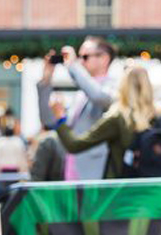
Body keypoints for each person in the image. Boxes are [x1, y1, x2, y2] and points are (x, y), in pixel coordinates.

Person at [41, 64, 161, 179]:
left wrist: (60, 119)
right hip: (155, 185)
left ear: (123, 87)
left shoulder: (118, 118)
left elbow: (74, 145)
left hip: (121, 187)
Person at [37, 36, 118, 179]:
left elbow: (99, 96)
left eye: (85, 57)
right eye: (78, 58)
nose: (80, 62)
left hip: (95, 173)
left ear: (104, 58)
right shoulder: (81, 94)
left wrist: (73, 67)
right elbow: (49, 121)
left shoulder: (113, 86)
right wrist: (46, 81)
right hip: (71, 171)